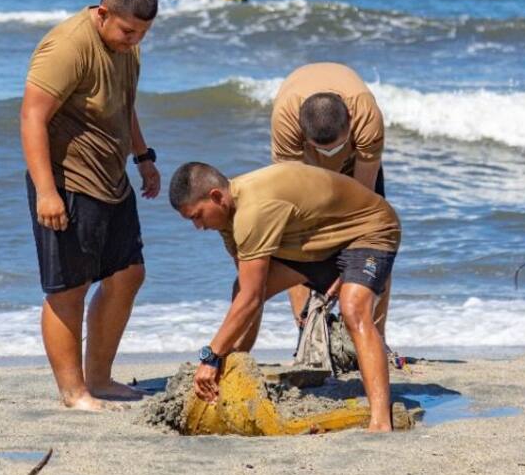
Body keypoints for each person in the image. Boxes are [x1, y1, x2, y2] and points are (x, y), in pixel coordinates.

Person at [169, 161, 400, 432]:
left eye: (197, 216)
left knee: (353, 309)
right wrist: (222, 357)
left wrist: (210, 357)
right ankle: (232, 374)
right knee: (241, 290)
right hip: (319, 243)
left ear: (216, 197)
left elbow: (251, 299)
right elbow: (249, 292)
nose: (198, 226)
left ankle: (380, 421)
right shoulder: (227, 218)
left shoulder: (252, 212)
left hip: (370, 229)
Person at [19, 0, 161, 410]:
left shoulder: (125, 47)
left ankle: (98, 378)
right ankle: (72, 390)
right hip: (68, 181)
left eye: (141, 33)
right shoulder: (68, 46)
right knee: (68, 288)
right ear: (102, 14)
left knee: (128, 274)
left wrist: (143, 156)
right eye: (127, 31)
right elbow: (31, 116)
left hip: (112, 179)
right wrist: (46, 191)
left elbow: (123, 101)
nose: (133, 40)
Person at [269, 62, 390, 332]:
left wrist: (347, 266)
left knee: (378, 242)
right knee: (296, 245)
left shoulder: (365, 116)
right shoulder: (286, 119)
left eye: (337, 146)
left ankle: (375, 335)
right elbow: (293, 202)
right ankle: (309, 334)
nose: (330, 155)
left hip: (354, 164)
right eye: (325, 150)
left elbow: (364, 207)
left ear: (349, 117)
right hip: (304, 166)